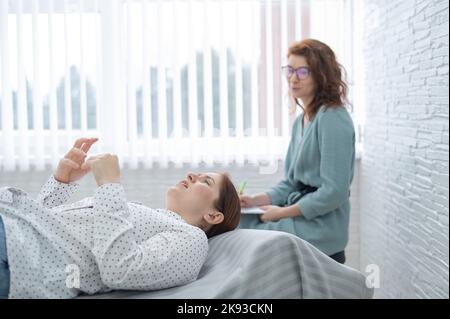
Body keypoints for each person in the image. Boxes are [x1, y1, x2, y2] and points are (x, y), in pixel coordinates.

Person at [0, 137, 240, 299]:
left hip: (17, 255)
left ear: (213, 215)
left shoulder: (192, 239)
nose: (191, 174)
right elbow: (46, 226)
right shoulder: (146, 215)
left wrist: (109, 185)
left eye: (205, 181)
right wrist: (63, 182)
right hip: (16, 233)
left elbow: (119, 271)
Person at [239, 39, 355, 264]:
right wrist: (256, 200)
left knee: (247, 228)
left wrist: (281, 212)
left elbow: (334, 192)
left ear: (321, 76)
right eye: (290, 70)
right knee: (242, 220)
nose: (293, 78)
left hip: (323, 225)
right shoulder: (301, 121)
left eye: (303, 71)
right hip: (303, 214)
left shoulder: (332, 118)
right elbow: (291, 183)